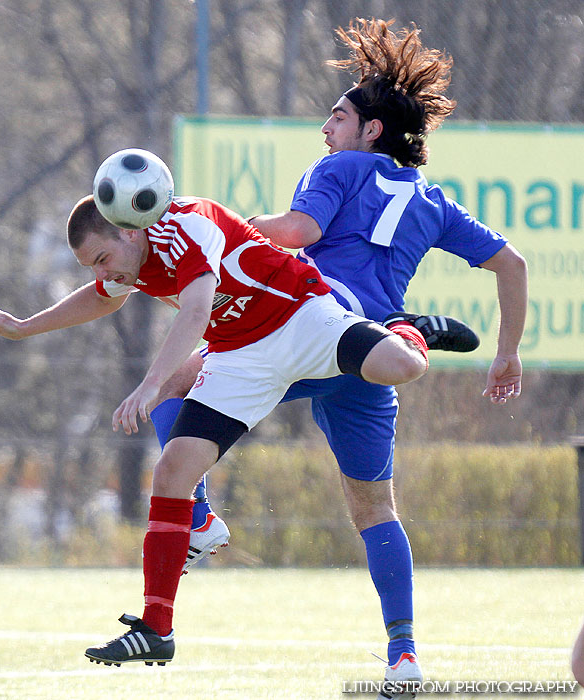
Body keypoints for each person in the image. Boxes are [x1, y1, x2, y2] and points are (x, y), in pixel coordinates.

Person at [147, 17, 528, 696]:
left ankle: (199, 518)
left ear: (370, 130)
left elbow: (302, 231)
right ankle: (405, 657)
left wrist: (233, 229)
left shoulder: (340, 168)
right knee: (376, 510)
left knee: (172, 382)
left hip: (316, 328)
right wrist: (507, 354)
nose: (326, 129)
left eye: (338, 115)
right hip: (368, 348)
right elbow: (513, 263)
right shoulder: (435, 203)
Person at [0, 185, 472, 668]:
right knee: (171, 472)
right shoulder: (130, 258)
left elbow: (193, 312)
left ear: (127, 231)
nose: (103, 272)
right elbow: (103, 297)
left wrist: (150, 385)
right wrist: (25, 325)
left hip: (300, 316)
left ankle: (411, 329)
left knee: (401, 366)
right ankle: (157, 627)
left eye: (101, 259)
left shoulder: (188, 223)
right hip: (241, 357)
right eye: (92, 266)